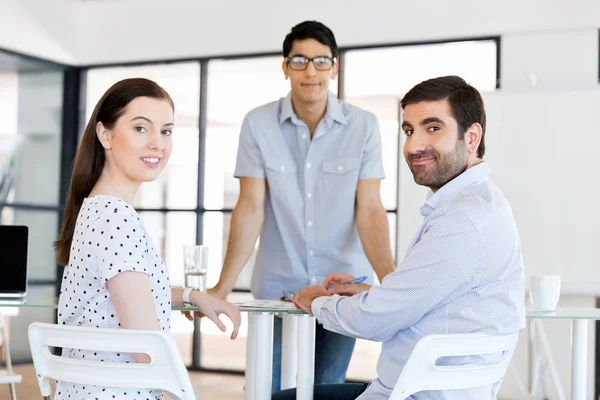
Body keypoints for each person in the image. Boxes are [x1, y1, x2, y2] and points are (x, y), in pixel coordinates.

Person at [274, 75, 526, 400]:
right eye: (409, 130)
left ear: (472, 136)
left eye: (433, 128)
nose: (413, 145)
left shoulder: (462, 219)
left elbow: (372, 322)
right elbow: (429, 300)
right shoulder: (480, 204)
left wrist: (318, 301)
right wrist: (376, 294)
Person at [208, 20, 395, 391]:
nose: (311, 71)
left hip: (343, 289)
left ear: (334, 68)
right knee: (267, 387)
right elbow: (250, 208)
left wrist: (392, 285)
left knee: (325, 386)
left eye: (321, 61)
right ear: (285, 67)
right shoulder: (258, 124)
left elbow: (370, 210)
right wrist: (221, 288)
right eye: (299, 60)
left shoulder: (364, 126)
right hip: (278, 287)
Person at [54, 78, 241, 400]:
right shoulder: (115, 217)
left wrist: (194, 296)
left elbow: (128, 294)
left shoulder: (97, 209)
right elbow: (146, 346)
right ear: (105, 134)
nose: (158, 143)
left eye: (166, 131)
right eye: (141, 128)